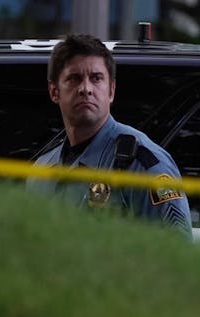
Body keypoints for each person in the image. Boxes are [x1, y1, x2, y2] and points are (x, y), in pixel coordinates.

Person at [29, 33, 191, 235]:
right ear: (54, 92)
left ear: (111, 90)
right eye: (74, 78)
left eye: (96, 78)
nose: (86, 89)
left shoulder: (143, 166)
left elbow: (175, 255)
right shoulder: (40, 172)